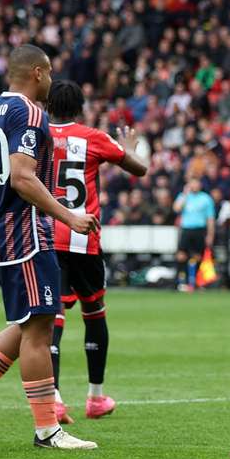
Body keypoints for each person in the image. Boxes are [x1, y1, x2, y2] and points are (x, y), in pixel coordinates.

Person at [0, 45, 99, 450]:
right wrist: (69, 216)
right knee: (41, 327)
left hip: (2, 227)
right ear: (38, 72)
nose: (50, 79)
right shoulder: (30, 113)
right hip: (25, 231)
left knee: (30, 321)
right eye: (49, 72)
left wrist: (2, 195)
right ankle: (48, 429)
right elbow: (23, 178)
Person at [44, 79, 148, 424]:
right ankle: (96, 397)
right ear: (81, 108)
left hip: (47, 236)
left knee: (51, 319)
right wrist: (130, 146)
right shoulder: (93, 137)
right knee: (95, 314)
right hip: (84, 239)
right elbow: (138, 169)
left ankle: (54, 399)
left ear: (47, 106)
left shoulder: (37, 134)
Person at [172, 177, 215, 291]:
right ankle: (182, 281)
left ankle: (197, 282)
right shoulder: (184, 196)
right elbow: (176, 208)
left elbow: (210, 218)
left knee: (198, 256)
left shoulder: (206, 198)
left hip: (199, 230)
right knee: (181, 255)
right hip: (186, 229)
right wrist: (185, 194)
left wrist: (210, 235)